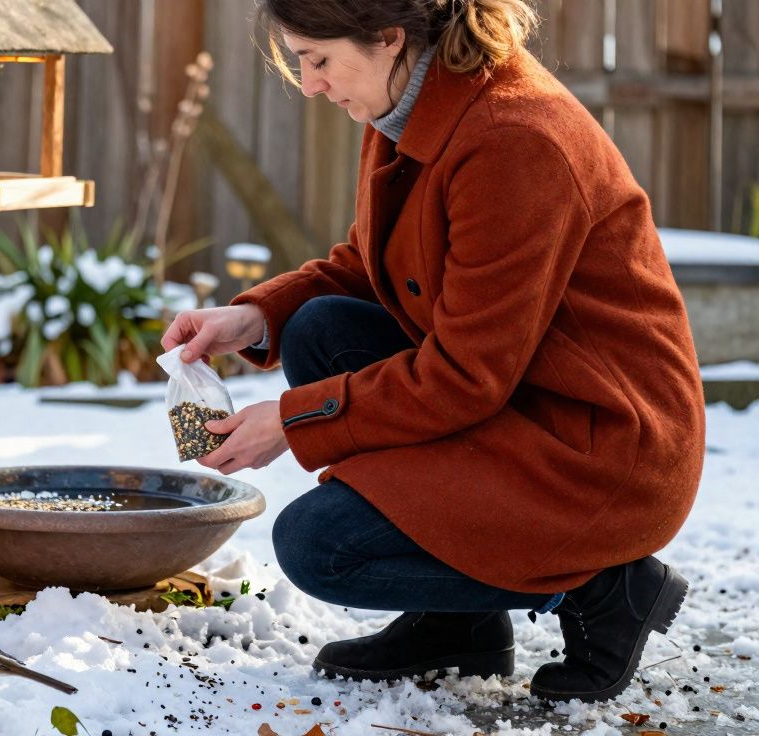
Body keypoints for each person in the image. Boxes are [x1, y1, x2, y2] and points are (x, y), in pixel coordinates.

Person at [160, 0, 704, 704]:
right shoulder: (414, 100)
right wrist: (254, 318)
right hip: (519, 396)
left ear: (388, 37)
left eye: (318, 59)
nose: (310, 84)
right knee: (319, 328)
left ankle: (603, 586)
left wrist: (293, 421)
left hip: (599, 446)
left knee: (320, 546)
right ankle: (461, 630)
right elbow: (377, 265)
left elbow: (463, 375)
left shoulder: (516, 138)